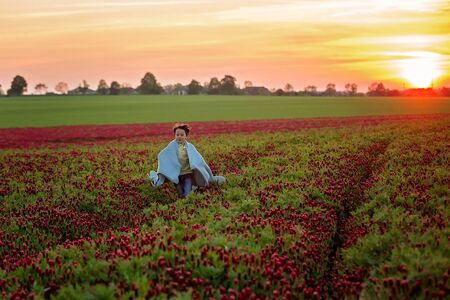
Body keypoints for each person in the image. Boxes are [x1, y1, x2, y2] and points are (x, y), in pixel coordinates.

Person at [148, 123, 225, 197]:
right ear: (174, 135)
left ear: (186, 136)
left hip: (187, 174)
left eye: (182, 135)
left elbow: (198, 159)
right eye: (177, 135)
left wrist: (196, 167)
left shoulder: (190, 147)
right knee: (180, 194)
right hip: (177, 176)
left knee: (187, 194)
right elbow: (163, 155)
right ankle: (188, 195)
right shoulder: (170, 147)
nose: (179, 137)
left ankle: (193, 191)